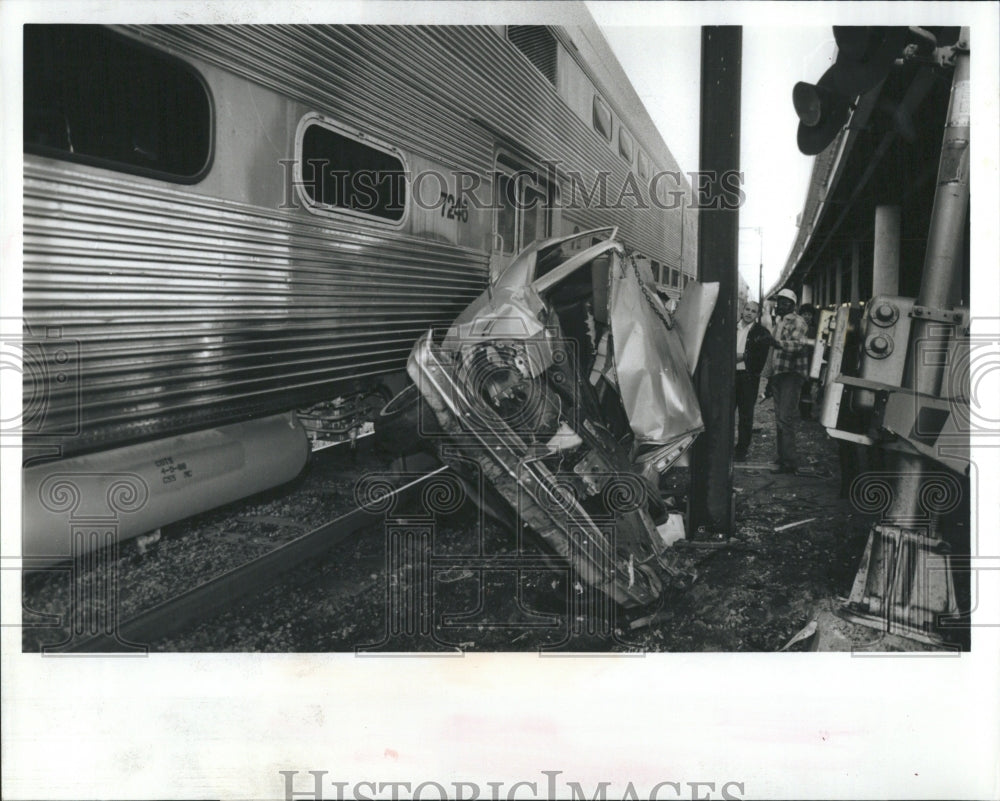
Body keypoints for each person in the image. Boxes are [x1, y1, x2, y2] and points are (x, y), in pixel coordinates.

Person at [768, 288, 810, 474]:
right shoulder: (779, 322)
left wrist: (776, 343)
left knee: (786, 418)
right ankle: (782, 457)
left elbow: (798, 344)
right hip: (779, 373)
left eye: (784, 302)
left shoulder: (798, 321)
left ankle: (790, 461)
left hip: (792, 374)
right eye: (779, 302)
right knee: (779, 418)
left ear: (792, 305)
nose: (780, 305)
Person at [734, 300, 774, 461]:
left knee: (745, 415)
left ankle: (741, 450)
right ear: (742, 310)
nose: (749, 313)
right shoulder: (731, 328)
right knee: (726, 413)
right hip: (729, 377)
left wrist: (743, 357)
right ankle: (725, 445)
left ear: (757, 315)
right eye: (747, 309)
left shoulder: (761, 333)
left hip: (748, 378)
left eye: (753, 311)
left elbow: (761, 358)